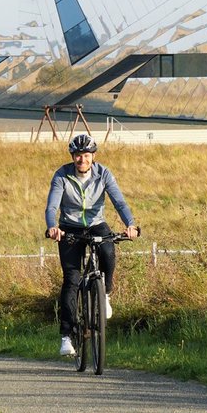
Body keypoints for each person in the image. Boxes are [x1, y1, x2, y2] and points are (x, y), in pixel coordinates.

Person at [45, 134, 139, 356]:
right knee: (72, 279)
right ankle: (67, 336)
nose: (82, 160)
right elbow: (52, 206)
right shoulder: (62, 175)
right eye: (78, 156)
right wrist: (52, 227)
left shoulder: (103, 173)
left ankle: (105, 292)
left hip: (97, 224)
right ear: (73, 157)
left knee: (108, 250)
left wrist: (131, 224)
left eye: (86, 156)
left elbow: (119, 201)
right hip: (69, 227)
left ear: (93, 157)